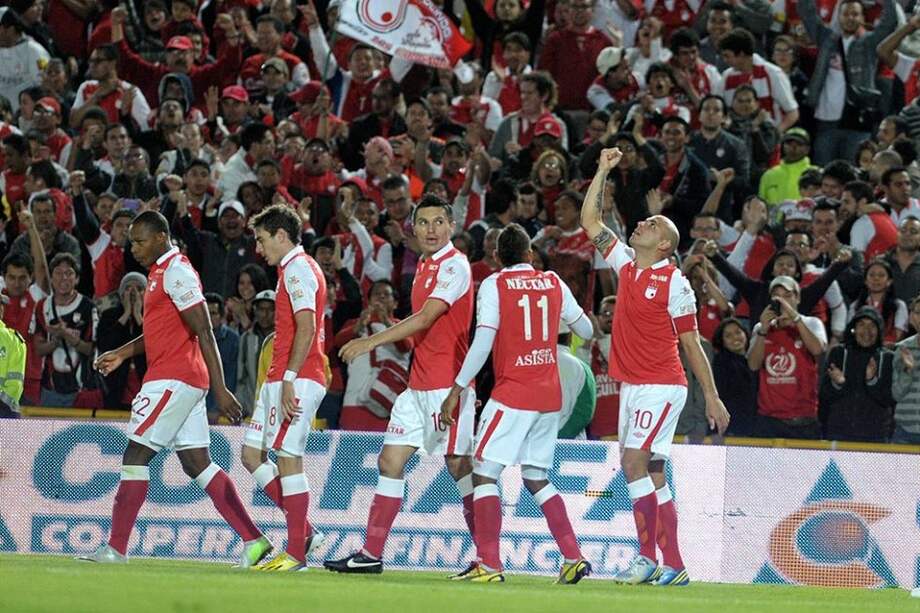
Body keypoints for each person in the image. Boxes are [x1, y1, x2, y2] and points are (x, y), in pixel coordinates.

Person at [79, 210, 270, 567]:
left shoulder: (177, 271)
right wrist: (121, 353)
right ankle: (255, 541)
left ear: (161, 237)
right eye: (130, 241)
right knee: (197, 463)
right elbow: (160, 332)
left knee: (136, 456)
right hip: (181, 379)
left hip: (175, 378)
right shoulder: (160, 273)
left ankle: (115, 549)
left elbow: (204, 329)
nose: (132, 247)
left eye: (139, 240)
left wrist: (222, 389)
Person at [580, 147, 730, 585]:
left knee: (632, 465)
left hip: (662, 384)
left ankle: (646, 558)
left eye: (652, 225)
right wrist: (603, 170)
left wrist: (713, 396)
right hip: (634, 385)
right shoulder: (626, 265)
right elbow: (591, 223)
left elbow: (691, 343)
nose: (642, 223)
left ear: (663, 244)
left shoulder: (675, 283)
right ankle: (676, 565)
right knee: (655, 474)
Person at [324, 194, 476, 575]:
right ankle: (371, 553)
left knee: (460, 467)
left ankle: (488, 558)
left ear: (452, 226)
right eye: (422, 223)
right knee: (390, 461)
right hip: (417, 385)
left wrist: (369, 341)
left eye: (438, 222)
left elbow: (426, 318)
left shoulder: (455, 265)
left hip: (448, 387)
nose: (431, 229)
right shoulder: (425, 265)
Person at [438, 223, 594, 583]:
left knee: (484, 472)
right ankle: (572, 556)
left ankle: (489, 564)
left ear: (496, 258)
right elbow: (585, 330)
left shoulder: (494, 285)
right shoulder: (553, 282)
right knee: (536, 476)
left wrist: (457, 388)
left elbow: (484, 342)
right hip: (548, 396)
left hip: (513, 392)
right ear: (529, 254)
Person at [240, 204, 328, 571]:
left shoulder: (298, 270)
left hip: (297, 377)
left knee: (289, 459)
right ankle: (304, 531)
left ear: (280, 235)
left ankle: (296, 553)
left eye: (261, 240)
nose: (259, 249)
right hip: (279, 377)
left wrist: (290, 380)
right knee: (251, 456)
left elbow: (306, 328)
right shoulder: (290, 270)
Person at [747, 276, 828, 439]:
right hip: (769, 421)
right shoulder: (761, 327)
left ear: (797, 298)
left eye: (787, 295)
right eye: (777, 296)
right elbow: (753, 365)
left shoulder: (812, 323)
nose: (782, 301)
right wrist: (763, 329)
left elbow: (818, 349)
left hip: (803, 420)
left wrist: (795, 319)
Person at [820, 307, 895, 442]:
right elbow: (824, 396)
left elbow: (889, 399)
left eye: (872, 325)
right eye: (861, 325)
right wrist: (838, 383)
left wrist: (872, 381)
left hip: (875, 437)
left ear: (879, 331)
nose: (867, 331)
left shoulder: (888, 358)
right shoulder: (838, 353)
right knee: (833, 465)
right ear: (853, 329)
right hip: (838, 435)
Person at [892, 296, 920, 444]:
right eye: (918, 312)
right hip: (905, 434)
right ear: (911, 317)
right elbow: (896, 394)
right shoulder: (903, 348)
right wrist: (908, 371)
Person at [0, 292, 26, 417]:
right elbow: (15, 387)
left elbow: (15, 384)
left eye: (1, 304)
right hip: (6, 413)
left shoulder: (14, 340)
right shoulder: (15, 340)